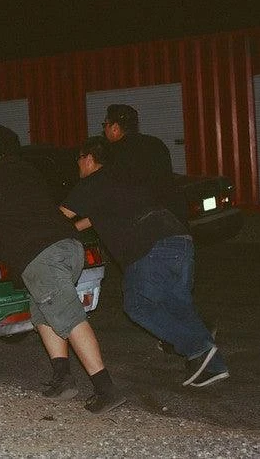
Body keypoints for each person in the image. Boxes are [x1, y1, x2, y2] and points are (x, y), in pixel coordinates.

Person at [0, 125, 125, 414]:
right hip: (69, 245)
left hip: (43, 255)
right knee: (43, 314)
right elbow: (21, 211)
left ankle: (106, 389)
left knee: (69, 316)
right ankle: (62, 378)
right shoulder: (27, 172)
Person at [59, 136, 229, 387]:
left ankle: (197, 346)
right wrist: (72, 230)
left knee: (138, 305)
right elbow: (93, 219)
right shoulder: (122, 180)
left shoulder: (92, 182)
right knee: (178, 306)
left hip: (150, 246)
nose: (78, 165)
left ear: (89, 159)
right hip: (179, 238)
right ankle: (213, 367)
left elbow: (59, 217)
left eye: (79, 159)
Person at [102, 103, 188, 225]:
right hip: (170, 216)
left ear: (115, 127)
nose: (104, 130)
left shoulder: (113, 152)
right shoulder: (156, 143)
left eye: (105, 125)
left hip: (140, 221)